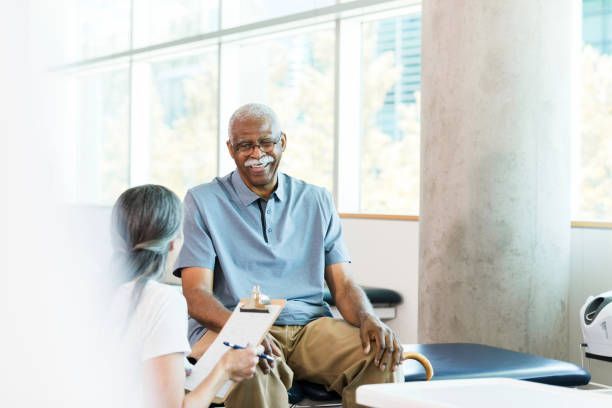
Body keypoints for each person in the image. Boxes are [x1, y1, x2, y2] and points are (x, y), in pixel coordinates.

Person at [174, 103, 404, 408]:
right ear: (231, 149)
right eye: (245, 145)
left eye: (265, 142)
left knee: (379, 355)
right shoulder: (203, 201)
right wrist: (243, 331)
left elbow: (344, 286)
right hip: (237, 322)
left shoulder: (316, 199)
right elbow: (196, 294)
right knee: (249, 365)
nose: (257, 154)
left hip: (309, 326)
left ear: (282, 142)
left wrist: (368, 317)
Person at [108, 184, 259, 408]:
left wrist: (184, 357)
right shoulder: (163, 300)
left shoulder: (92, 291)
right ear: (173, 243)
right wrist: (225, 368)